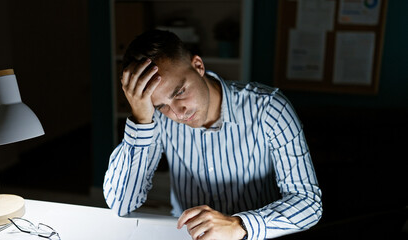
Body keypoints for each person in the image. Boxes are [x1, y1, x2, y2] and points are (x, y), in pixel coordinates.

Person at [103, 29, 322, 240]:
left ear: (198, 66)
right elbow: (121, 203)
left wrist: (239, 225)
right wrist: (141, 119)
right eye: (161, 105)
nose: (178, 112)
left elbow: (308, 203)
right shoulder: (156, 118)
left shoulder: (270, 108)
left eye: (180, 92)